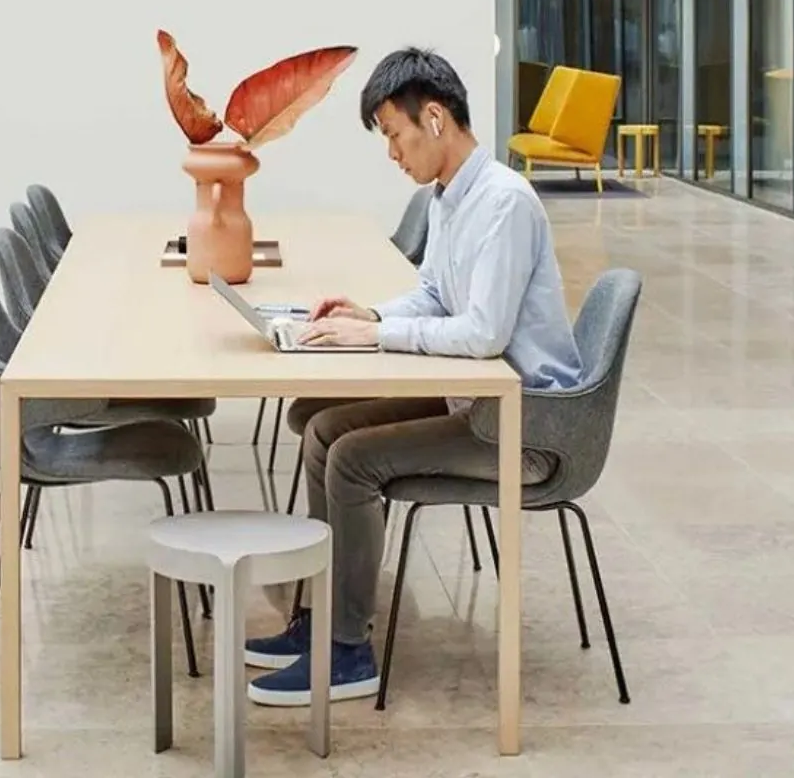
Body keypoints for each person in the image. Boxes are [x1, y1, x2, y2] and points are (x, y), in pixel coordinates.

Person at [244, 46, 584, 707]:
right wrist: (370, 311)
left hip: (523, 424)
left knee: (351, 461)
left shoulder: (504, 204)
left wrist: (374, 335)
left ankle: (348, 654)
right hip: (479, 398)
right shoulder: (450, 198)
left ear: (434, 118)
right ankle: (320, 620)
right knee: (324, 429)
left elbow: (483, 333)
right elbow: (432, 295)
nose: (393, 153)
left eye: (395, 135)